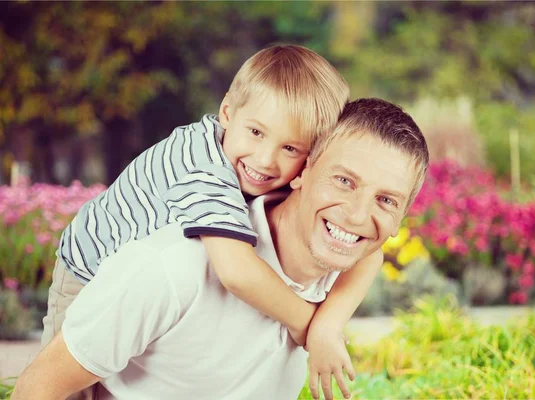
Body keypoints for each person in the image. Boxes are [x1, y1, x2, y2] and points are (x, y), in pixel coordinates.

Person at [12, 98, 429, 400]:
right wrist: (311, 326)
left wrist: (324, 328)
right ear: (302, 173)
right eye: (344, 181)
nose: (358, 215)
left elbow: (371, 254)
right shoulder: (174, 266)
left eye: (387, 201)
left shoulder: (339, 265)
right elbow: (39, 387)